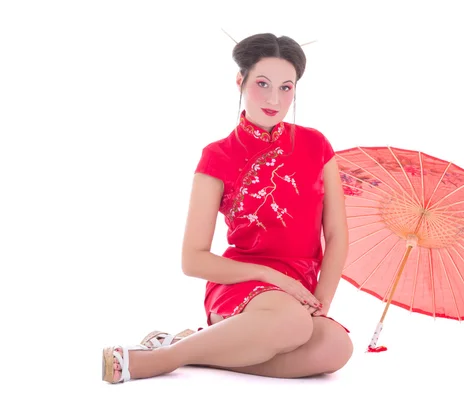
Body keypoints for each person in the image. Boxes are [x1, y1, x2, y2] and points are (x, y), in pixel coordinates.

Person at [102, 32, 353, 384]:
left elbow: (338, 233)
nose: (273, 98)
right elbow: (193, 260)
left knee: (336, 348)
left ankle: (196, 349)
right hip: (242, 283)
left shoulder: (316, 145)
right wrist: (270, 276)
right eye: (262, 83)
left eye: (286, 87)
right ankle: (165, 358)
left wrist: (322, 299)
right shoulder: (217, 156)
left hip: (300, 290)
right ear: (240, 80)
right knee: (292, 323)